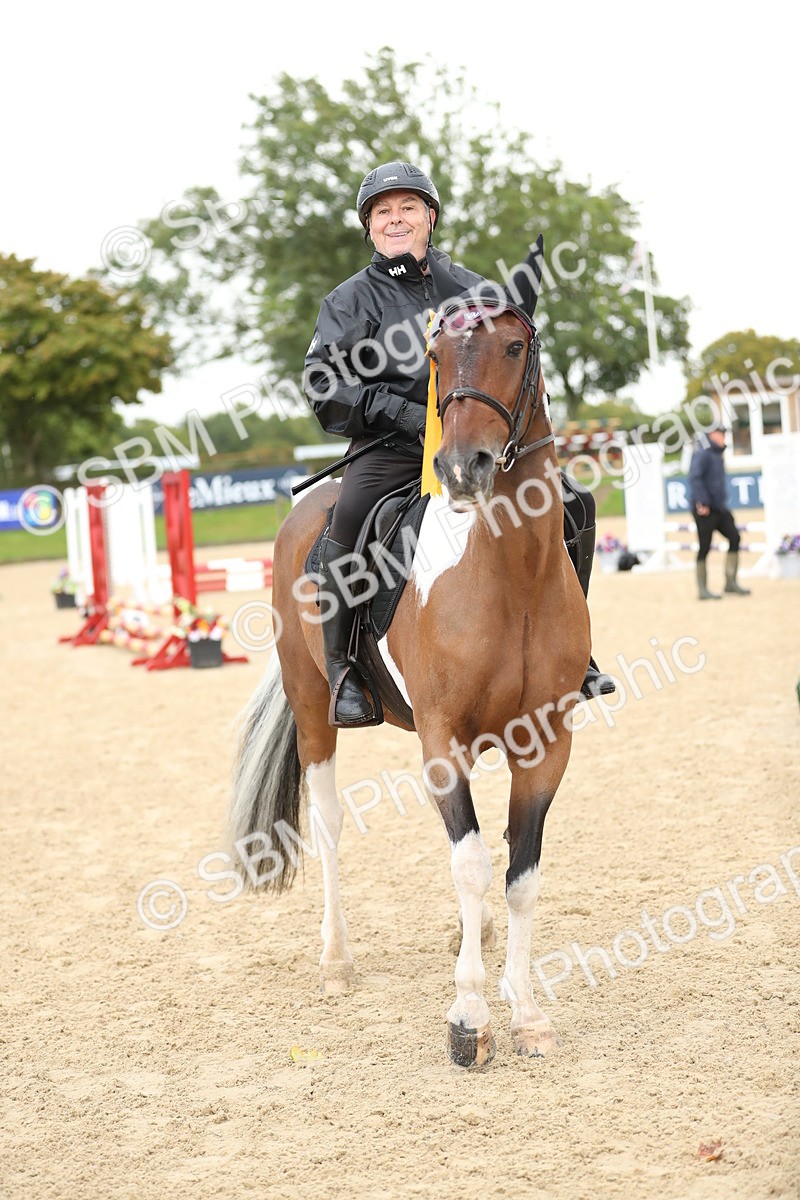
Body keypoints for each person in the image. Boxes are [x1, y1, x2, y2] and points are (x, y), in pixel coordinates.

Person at [304, 160, 614, 726]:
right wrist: (403, 414)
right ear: (369, 227)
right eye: (381, 212)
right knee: (346, 519)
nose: (394, 219)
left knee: (573, 502)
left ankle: (575, 651)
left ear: (430, 217)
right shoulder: (347, 302)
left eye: (406, 208)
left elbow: (512, 360)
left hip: (478, 446)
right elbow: (324, 386)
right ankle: (345, 667)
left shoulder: (474, 289)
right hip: (391, 449)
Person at [688, 428, 751, 599]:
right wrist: (702, 502)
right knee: (705, 546)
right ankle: (703, 590)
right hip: (705, 508)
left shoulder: (718, 455)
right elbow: (695, 477)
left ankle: (730, 582)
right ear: (711, 435)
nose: (723, 436)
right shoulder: (702, 453)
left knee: (734, 537)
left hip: (719, 507)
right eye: (720, 433)